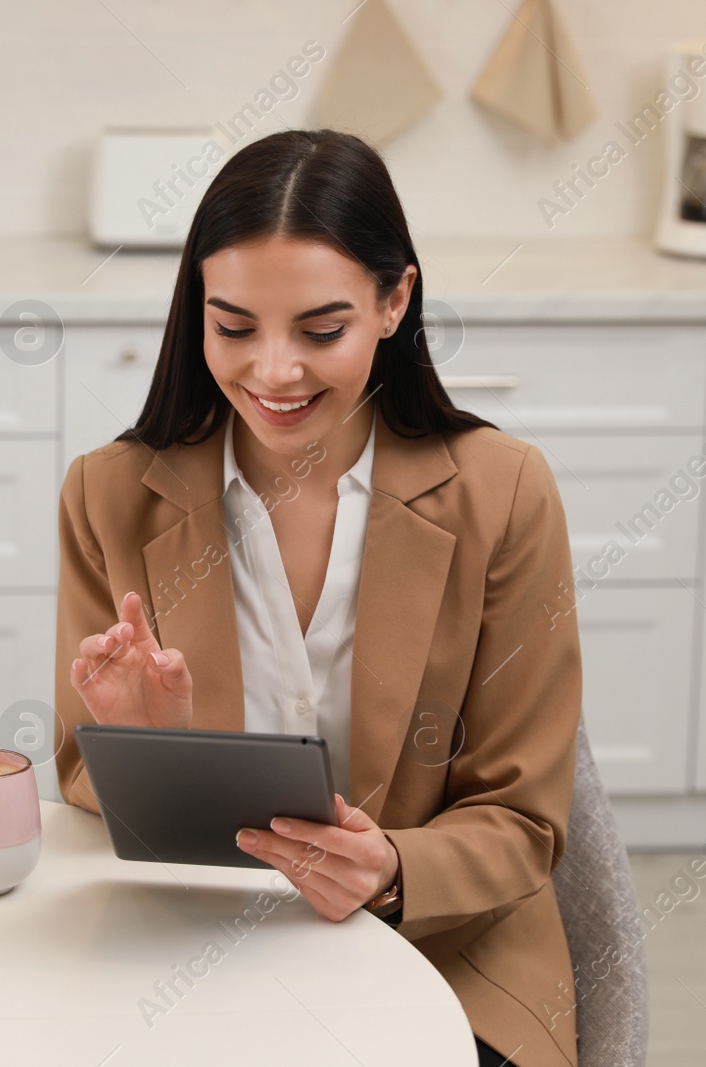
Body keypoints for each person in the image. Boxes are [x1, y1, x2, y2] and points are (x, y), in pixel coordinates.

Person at [54, 128, 582, 1067]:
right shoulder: (110, 495)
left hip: (443, 956)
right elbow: (80, 775)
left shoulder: (503, 492)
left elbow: (524, 819)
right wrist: (153, 742)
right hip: (199, 954)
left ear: (394, 301)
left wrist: (393, 869)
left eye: (320, 329)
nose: (273, 372)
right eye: (234, 326)